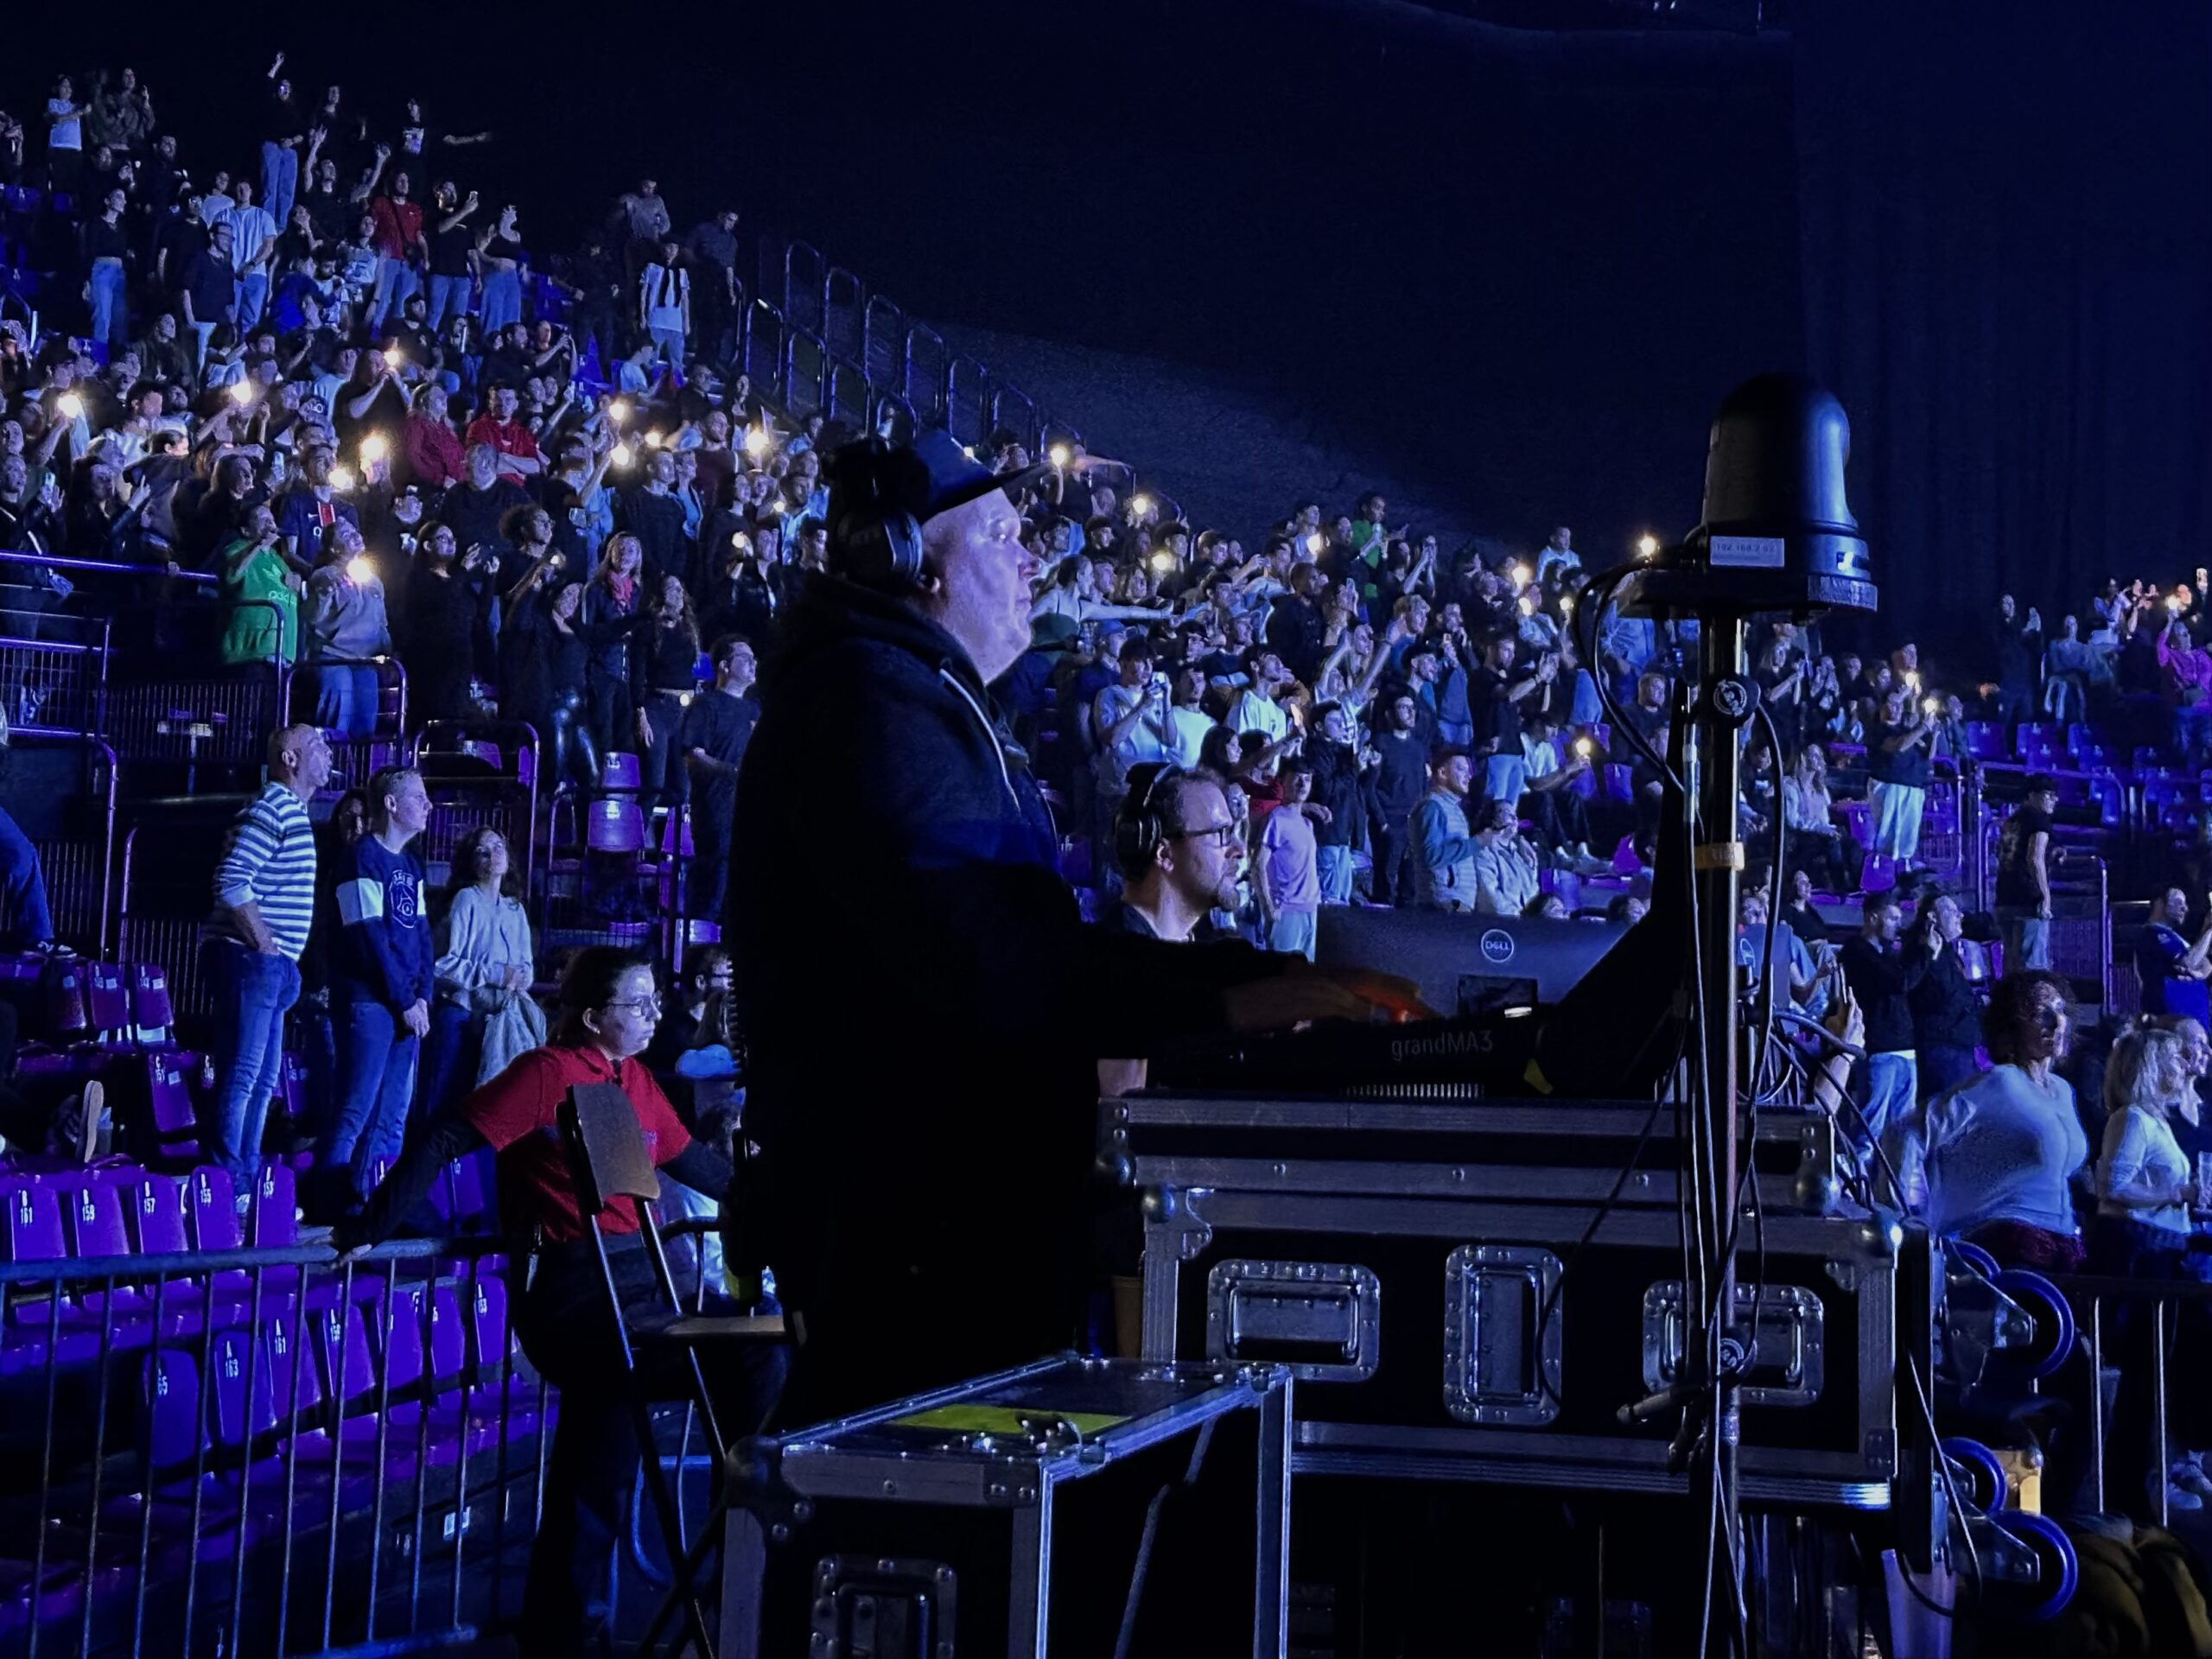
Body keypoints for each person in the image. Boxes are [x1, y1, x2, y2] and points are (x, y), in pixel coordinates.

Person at [725, 432, 1418, 1422]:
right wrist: (1224, 1001)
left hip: (935, 1219)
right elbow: (995, 964)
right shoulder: (873, 706)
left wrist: (1232, 989)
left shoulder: (914, 701)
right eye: (1002, 537)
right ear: (909, 561)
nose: (1030, 560)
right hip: (916, 1230)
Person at [335, 948, 783, 1659]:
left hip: (636, 1285)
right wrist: (365, 1229)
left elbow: (691, 1163)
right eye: (640, 1004)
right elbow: (447, 1135)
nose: (654, 1015)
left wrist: (771, 1203)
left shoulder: (630, 1075)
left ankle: (569, 1633)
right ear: (593, 1015)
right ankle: (742, 1556)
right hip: (576, 1295)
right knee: (746, 1358)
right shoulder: (546, 1072)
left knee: (598, 1473)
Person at [200, 725, 331, 1192]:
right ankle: (227, 1182)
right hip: (252, 961)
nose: (329, 753)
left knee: (259, 1080)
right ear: (290, 758)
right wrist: (265, 946)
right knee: (243, 1074)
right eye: (317, 746)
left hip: (270, 966)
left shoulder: (290, 811)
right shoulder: (272, 806)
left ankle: (244, 1178)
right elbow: (232, 880)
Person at [2090, 1024, 2212, 1516]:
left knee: (2162, 1374)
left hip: (2166, 1252)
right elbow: (2111, 1190)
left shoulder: (2156, 1120)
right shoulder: (2133, 1119)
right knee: (2144, 1378)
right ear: (2148, 1069)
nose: (2182, 1067)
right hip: (2143, 1258)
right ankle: (2131, 1491)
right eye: (2172, 1060)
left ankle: (2154, 1476)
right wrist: (2178, 1195)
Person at [314, 766, 434, 1213]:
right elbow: (367, 936)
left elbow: (421, 935)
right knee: (355, 1108)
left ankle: (373, 1205)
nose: (428, 806)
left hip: (406, 1006)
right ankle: (329, 1203)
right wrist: (404, 999)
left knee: (391, 1118)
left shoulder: (410, 862)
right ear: (390, 803)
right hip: (368, 1002)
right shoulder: (360, 857)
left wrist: (423, 996)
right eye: (419, 797)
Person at [420, 826, 536, 1121]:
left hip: (499, 1019)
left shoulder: (515, 909)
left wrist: (522, 977)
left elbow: (527, 966)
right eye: (483, 851)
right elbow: (443, 963)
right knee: (446, 1098)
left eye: (498, 847)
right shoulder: (465, 900)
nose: (493, 855)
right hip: (462, 1012)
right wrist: (496, 974)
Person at [1840, 890, 1937, 1184]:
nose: (1898, 924)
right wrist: (1925, 952)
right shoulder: (1857, 951)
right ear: (1872, 917)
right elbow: (1900, 982)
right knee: (1871, 1127)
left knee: (1900, 1131)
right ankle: (1854, 1185)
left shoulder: (1887, 953)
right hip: (1880, 1049)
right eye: (1892, 917)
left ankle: (1890, 1193)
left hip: (1904, 1048)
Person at [677, 634, 759, 922]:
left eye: (754, 658)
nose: (753, 664)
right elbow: (694, 756)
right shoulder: (705, 705)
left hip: (748, 813)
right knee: (714, 887)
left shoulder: (754, 710)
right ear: (725, 666)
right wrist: (731, 771)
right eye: (745, 658)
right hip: (716, 811)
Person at [1908, 893, 1983, 1102]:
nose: (1960, 916)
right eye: (1951, 912)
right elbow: (1939, 994)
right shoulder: (1922, 950)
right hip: (1941, 1048)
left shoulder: (1948, 951)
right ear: (1933, 917)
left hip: (1960, 1044)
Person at [1256, 756, 1322, 958]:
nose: (1303, 784)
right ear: (1283, 781)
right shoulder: (1276, 819)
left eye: (1308, 779)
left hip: (1310, 909)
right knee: (1282, 979)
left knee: (1305, 979)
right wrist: (1268, 906)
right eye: (1297, 778)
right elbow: (1258, 865)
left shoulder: (1307, 824)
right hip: (1286, 911)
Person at [1994, 776, 2058, 972]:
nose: (2054, 800)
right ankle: (2027, 1003)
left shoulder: (2011, 821)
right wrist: (2045, 896)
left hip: (2004, 896)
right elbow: (2034, 858)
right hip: (2028, 898)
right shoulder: (2038, 820)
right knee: (2031, 965)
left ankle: (2009, 1002)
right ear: (2031, 795)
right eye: (2048, 794)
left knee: (2010, 962)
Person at [1409, 750, 1481, 912]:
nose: (1468, 776)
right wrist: (1477, 842)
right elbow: (1431, 857)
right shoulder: (1432, 807)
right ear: (1442, 773)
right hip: (1445, 904)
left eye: (1469, 771)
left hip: (1459, 903)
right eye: (1461, 769)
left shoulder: (1455, 808)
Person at [2135, 887, 2212, 1027]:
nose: (2185, 909)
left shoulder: (2174, 937)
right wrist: (2209, 929)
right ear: (2160, 904)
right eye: (2179, 902)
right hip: (2173, 1021)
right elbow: (2190, 962)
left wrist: (2195, 972)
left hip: (2194, 1020)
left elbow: (2205, 964)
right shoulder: (2153, 934)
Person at [1469, 793, 1542, 917]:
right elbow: (1489, 897)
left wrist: (1533, 866)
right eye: (1507, 813)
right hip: (1505, 922)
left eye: (1515, 814)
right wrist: (1516, 917)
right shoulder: (1484, 852)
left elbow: (1533, 892)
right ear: (1493, 820)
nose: (1514, 818)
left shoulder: (1520, 853)